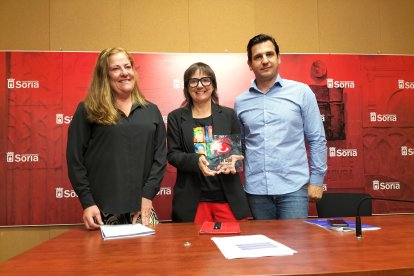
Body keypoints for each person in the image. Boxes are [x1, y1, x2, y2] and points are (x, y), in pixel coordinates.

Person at [66, 47, 166, 230]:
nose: (124, 73)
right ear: (104, 75)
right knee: (107, 260)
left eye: (127, 67)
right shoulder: (88, 110)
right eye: (116, 68)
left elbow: (159, 159)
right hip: (102, 212)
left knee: (150, 258)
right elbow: (75, 160)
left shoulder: (151, 111)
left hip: (143, 209)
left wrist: (147, 197)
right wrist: (87, 202)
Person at [234, 34, 327, 220]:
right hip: (256, 191)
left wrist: (317, 180)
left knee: (296, 247)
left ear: (279, 58)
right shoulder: (240, 102)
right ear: (250, 64)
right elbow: (241, 145)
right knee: (264, 247)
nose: (265, 60)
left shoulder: (301, 92)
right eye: (258, 57)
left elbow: (317, 139)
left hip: (294, 189)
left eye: (270, 54)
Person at [167, 62, 250, 223]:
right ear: (186, 87)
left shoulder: (228, 115)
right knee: (196, 247)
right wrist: (196, 160)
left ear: (213, 85)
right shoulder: (176, 117)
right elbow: (172, 155)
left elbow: (239, 149)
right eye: (193, 81)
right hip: (193, 202)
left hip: (227, 199)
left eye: (205, 80)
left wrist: (236, 158)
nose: (200, 85)